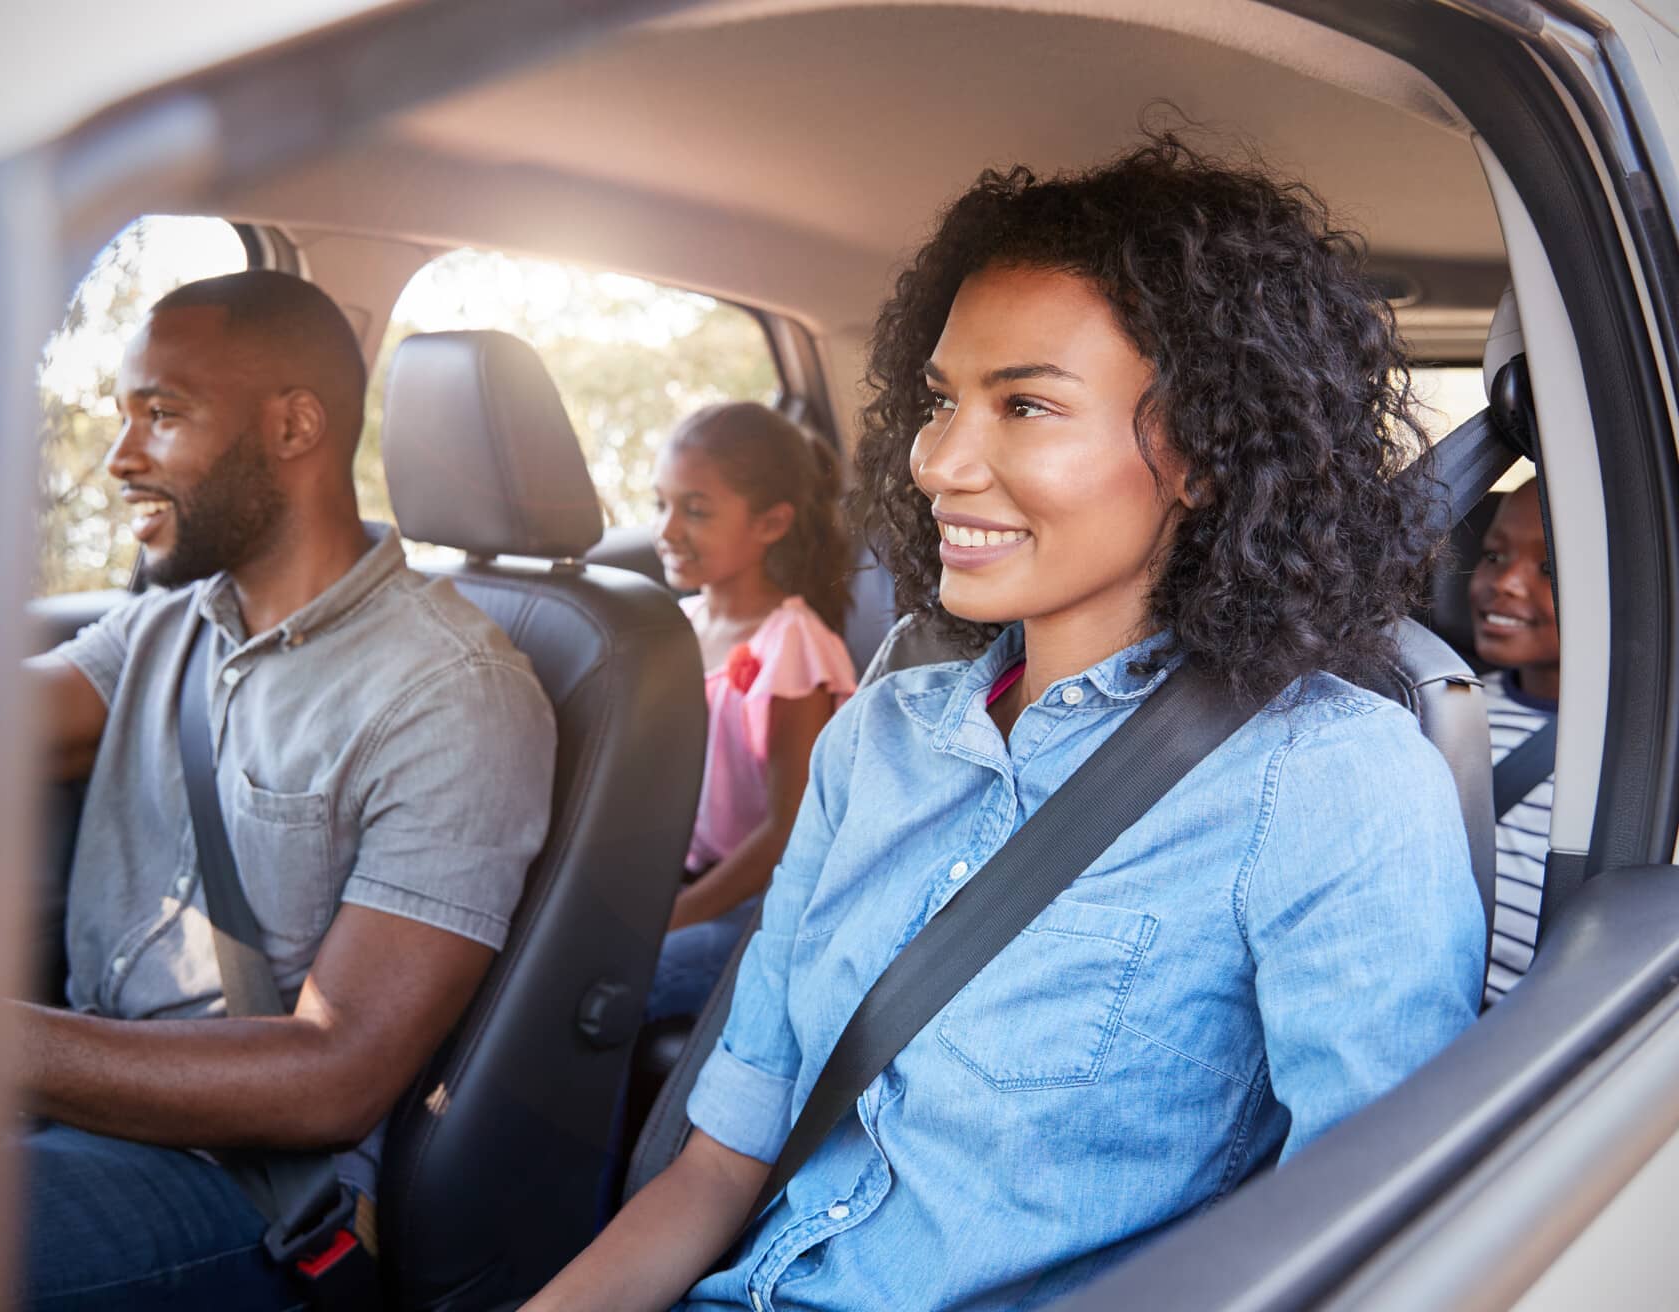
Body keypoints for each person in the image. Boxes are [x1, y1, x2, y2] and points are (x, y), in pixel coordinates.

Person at [527, 134, 1484, 1312]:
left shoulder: (1326, 778)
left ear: (1202, 453)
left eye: (1024, 403)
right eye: (941, 401)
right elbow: (719, 1164)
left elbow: (1382, 1247)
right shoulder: (879, 736)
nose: (938, 461)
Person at [18, 270, 556, 1310]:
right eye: (123, 416)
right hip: (91, 1107)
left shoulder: (452, 692)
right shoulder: (166, 626)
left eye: (161, 415)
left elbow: (332, 1071)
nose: (122, 457)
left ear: (295, 425)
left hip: (254, 1192)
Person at [646, 403, 859, 1021]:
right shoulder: (677, 626)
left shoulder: (792, 644)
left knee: (610, 975)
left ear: (771, 524)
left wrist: (675, 917)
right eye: (661, 503)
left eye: (696, 510)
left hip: (758, 906)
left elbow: (787, 829)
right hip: (684, 878)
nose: (667, 529)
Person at [1470, 481, 1559, 1004]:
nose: (1504, 582)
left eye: (1550, 568)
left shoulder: (1642, 754)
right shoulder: (1448, 706)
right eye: (1493, 555)